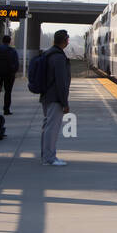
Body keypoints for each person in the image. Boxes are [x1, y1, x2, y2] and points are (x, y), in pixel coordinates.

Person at [40, 29, 71, 166]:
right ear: (65, 41)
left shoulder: (49, 53)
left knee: (47, 127)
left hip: (47, 95)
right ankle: (49, 158)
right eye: (67, 39)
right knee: (52, 128)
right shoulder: (58, 57)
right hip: (55, 97)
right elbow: (61, 82)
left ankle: (47, 155)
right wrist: (65, 102)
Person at [0, 34, 20, 115]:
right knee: (8, 92)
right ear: (9, 41)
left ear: (2, 41)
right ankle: (6, 110)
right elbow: (16, 62)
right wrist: (14, 71)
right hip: (9, 74)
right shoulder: (12, 51)